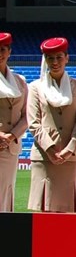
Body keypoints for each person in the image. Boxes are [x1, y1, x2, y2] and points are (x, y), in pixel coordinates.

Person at [28, 38, 76, 212]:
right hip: (44, 156)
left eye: (59, 57)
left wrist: (70, 148)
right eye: (50, 58)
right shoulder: (35, 87)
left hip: (70, 156)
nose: (55, 62)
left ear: (67, 58)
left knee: (66, 212)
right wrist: (50, 149)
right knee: (45, 211)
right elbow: (34, 122)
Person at [0, 32, 28, 212]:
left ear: (9, 52)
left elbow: (27, 115)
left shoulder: (20, 81)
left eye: (3, 49)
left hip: (10, 146)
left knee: (6, 191)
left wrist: (11, 136)